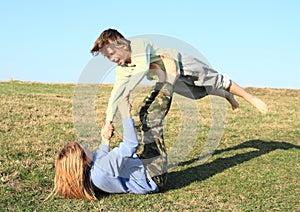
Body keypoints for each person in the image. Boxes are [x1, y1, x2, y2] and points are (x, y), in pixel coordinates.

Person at [90, 28, 268, 139]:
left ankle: (248, 97)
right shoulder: (122, 69)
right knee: (197, 93)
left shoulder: (138, 44)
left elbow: (143, 67)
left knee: (213, 79)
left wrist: (128, 91)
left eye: (111, 54)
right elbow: (116, 93)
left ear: (121, 45)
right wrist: (108, 121)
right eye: (107, 57)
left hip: (179, 61)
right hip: (168, 77)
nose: (111, 59)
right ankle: (227, 95)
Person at [46, 80, 174, 201]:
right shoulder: (103, 170)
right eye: (84, 147)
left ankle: (163, 80)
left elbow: (101, 157)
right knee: (151, 119)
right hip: (153, 174)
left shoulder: (92, 174)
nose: (87, 146)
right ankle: (172, 77)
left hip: (141, 166)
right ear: (83, 161)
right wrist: (125, 114)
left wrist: (105, 139)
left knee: (139, 115)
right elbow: (130, 145)